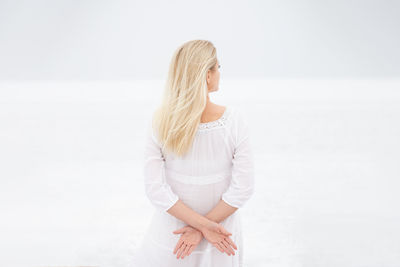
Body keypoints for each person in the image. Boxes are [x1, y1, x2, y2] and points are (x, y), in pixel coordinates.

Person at [132, 39, 255, 267]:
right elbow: (243, 189)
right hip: (221, 236)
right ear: (207, 76)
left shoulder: (160, 122)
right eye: (217, 67)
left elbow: (156, 191)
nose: (219, 73)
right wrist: (206, 227)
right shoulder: (235, 121)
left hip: (175, 237)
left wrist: (200, 228)